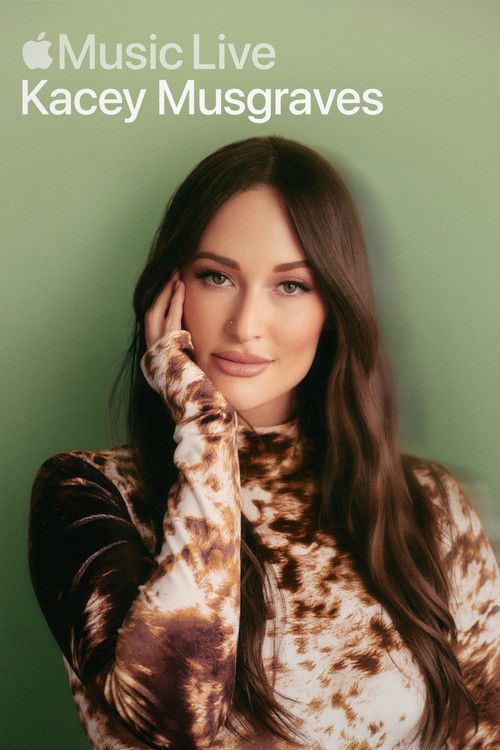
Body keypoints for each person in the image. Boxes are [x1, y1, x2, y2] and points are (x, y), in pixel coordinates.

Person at [28, 136, 500, 750]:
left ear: (334, 306)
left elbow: (486, 730)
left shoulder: (430, 502)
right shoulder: (85, 494)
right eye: (217, 276)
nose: (246, 325)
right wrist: (203, 428)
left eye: (291, 285)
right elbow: (175, 719)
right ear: (169, 291)